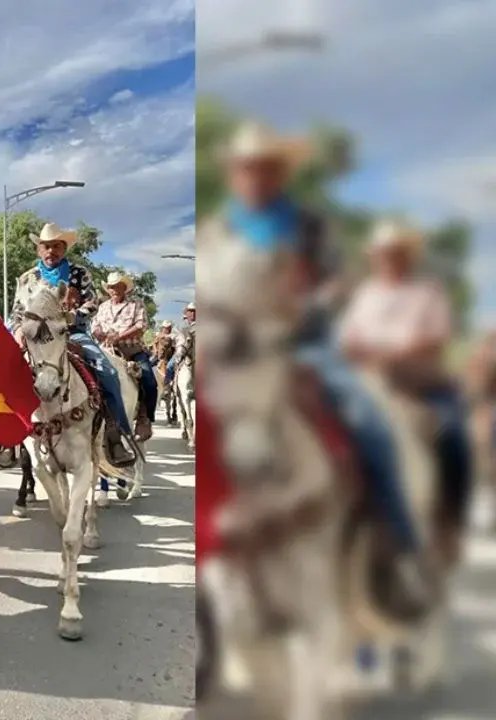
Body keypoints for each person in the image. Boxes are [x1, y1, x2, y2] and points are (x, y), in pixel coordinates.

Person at [214, 120, 430, 612]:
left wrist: (300, 310)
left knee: (369, 422)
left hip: (303, 346)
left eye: (265, 167)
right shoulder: (221, 231)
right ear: (236, 173)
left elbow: (338, 282)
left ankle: (398, 549)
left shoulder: (308, 226)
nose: (255, 176)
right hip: (235, 350)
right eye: (247, 167)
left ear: (278, 172)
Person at [338, 218, 471, 560]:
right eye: (384, 253)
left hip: (421, 385)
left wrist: (392, 355)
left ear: (407, 257)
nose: (389, 259)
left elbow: (435, 340)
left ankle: (449, 523)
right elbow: (348, 340)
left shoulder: (427, 294)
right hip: (371, 384)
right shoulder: (365, 296)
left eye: (396, 253)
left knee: (453, 435)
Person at [12, 222, 135, 466]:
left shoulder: (80, 274)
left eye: (57, 246)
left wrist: (72, 316)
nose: (51, 252)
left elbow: (91, 304)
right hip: (35, 337)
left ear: (64, 249)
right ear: (39, 249)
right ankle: (6, 437)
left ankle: (114, 433)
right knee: (4, 372)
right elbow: (17, 311)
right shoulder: (27, 278)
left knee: (108, 371)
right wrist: (17, 331)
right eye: (46, 247)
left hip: (72, 333)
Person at [93, 272, 157, 441]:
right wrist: (101, 335)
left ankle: (144, 417)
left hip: (132, 350)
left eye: (117, 286)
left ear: (124, 288)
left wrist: (118, 337)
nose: (114, 289)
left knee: (149, 380)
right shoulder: (103, 307)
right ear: (107, 289)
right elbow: (95, 327)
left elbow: (141, 326)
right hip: (105, 350)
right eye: (111, 287)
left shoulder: (136, 304)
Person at [169, 303, 196, 386]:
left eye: (195, 311)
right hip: (183, 350)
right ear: (186, 313)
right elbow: (173, 335)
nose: (193, 313)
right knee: (170, 366)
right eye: (190, 311)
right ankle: (168, 388)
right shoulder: (180, 325)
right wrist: (180, 340)